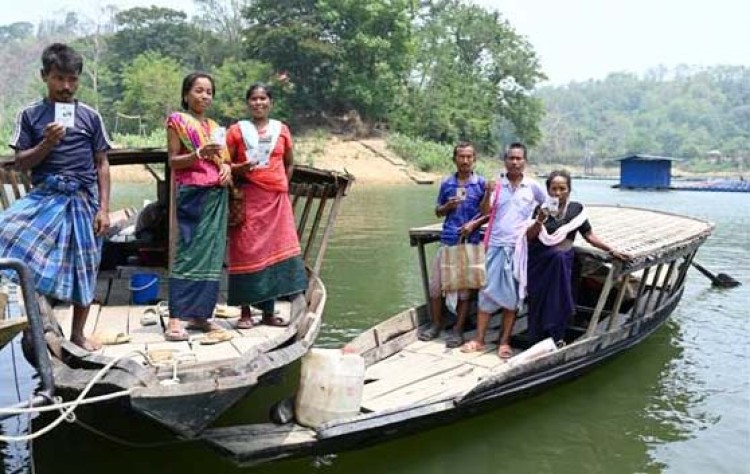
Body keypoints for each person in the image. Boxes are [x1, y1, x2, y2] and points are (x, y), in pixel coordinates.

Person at [0, 43, 111, 351]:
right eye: (59, 78)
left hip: (83, 199)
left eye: (72, 79)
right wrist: (47, 143)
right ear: (44, 76)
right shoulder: (30, 115)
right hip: (45, 196)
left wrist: (103, 208)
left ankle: (77, 334)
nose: (66, 86)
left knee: (86, 265)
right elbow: (20, 163)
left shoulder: (90, 116)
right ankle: (34, 313)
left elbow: (102, 163)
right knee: (5, 234)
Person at [227, 83, 307, 328]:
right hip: (248, 200)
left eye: (263, 98)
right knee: (246, 251)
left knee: (273, 254)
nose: (258, 103)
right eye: (254, 98)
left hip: (275, 201)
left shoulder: (281, 130)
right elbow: (224, 165)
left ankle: (269, 313)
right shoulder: (236, 131)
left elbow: (289, 163)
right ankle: (245, 313)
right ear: (248, 102)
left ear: (270, 102)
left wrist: (279, 184)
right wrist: (241, 170)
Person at [517, 169, 626, 345]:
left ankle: (555, 337)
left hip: (561, 263)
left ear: (569, 189)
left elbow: (589, 235)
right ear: (548, 190)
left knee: (557, 299)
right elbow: (529, 237)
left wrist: (611, 249)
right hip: (540, 262)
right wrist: (539, 221)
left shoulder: (576, 210)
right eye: (554, 189)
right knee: (538, 300)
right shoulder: (540, 209)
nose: (558, 193)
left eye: (562, 189)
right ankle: (535, 339)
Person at [164, 72, 232, 341]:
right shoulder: (177, 121)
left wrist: (226, 168)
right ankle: (175, 318)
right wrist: (197, 154)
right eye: (199, 90)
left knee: (213, 258)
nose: (204, 96)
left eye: (209, 92)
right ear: (186, 95)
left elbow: (222, 160)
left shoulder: (216, 127)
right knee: (188, 255)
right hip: (194, 194)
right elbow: (173, 161)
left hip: (217, 195)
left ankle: (201, 315)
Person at [461, 143, 546, 358]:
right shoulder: (497, 186)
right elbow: (485, 212)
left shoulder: (533, 187)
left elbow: (548, 206)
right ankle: (479, 339)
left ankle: (504, 342)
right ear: (505, 161)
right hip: (495, 245)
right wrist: (488, 193)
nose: (515, 162)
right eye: (511, 158)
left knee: (512, 296)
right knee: (486, 291)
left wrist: (540, 226)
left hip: (518, 248)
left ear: (525, 161)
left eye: (519, 158)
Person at [417, 142, 486, 348]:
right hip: (448, 238)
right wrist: (448, 206)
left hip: (470, 241)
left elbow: (488, 213)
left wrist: (474, 224)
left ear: (474, 160)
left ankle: (457, 329)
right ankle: (436, 324)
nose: (465, 161)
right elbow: (438, 211)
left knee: (464, 289)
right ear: (454, 159)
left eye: (469, 157)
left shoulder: (482, 184)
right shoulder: (447, 184)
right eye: (461, 157)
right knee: (436, 287)